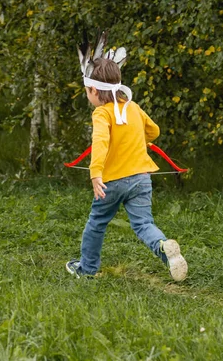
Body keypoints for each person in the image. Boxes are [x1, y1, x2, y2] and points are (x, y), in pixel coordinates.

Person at [66, 57, 187, 281]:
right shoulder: (133, 107)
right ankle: (163, 247)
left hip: (112, 182)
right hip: (141, 178)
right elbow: (154, 131)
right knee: (144, 224)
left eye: (86, 91)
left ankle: (87, 269)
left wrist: (95, 174)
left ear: (93, 90)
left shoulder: (102, 113)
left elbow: (100, 143)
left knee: (96, 223)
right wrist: (137, 138)